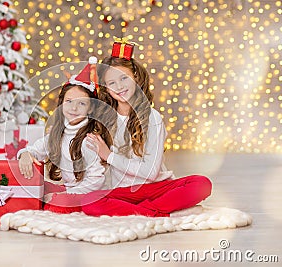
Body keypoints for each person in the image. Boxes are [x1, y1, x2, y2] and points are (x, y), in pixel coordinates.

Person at [82, 40, 212, 217]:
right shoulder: (104, 120)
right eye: (112, 83)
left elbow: (150, 173)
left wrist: (109, 156)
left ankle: (143, 211)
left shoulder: (152, 117)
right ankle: (154, 211)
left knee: (201, 183)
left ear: (135, 77)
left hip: (156, 188)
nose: (119, 86)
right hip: (123, 192)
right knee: (89, 202)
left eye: (123, 78)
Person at [17, 57, 111, 214]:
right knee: (36, 188)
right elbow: (36, 149)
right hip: (69, 189)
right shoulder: (58, 134)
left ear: (90, 109)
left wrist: (67, 195)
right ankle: (55, 200)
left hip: (90, 193)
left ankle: (57, 202)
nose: (74, 108)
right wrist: (25, 154)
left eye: (81, 103)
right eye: (69, 101)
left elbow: (96, 181)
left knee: (57, 202)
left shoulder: (90, 139)